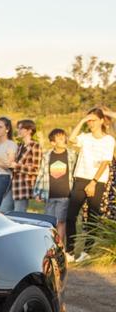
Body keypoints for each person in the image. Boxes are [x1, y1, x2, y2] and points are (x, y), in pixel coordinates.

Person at [67, 108, 115, 260]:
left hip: (97, 180)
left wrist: (93, 182)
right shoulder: (85, 137)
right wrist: (81, 121)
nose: (91, 123)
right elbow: (71, 139)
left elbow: (105, 162)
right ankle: (69, 251)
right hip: (80, 178)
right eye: (89, 120)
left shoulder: (109, 140)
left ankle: (86, 252)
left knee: (92, 217)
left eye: (93, 120)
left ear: (101, 120)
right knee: (71, 215)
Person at [36, 128, 77, 252]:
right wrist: (38, 192)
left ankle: (59, 248)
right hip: (50, 194)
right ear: (52, 142)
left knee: (61, 221)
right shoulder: (47, 155)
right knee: (49, 222)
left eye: (64, 137)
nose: (63, 140)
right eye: (59, 138)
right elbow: (42, 173)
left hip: (64, 194)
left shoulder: (71, 154)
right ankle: (50, 247)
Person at [8, 119, 43, 212]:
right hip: (12, 184)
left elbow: (36, 169)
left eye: (20, 128)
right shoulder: (19, 146)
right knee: (3, 211)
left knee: (18, 215)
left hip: (24, 186)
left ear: (29, 130)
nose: (18, 131)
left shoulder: (35, 146)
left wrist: (16, 166)